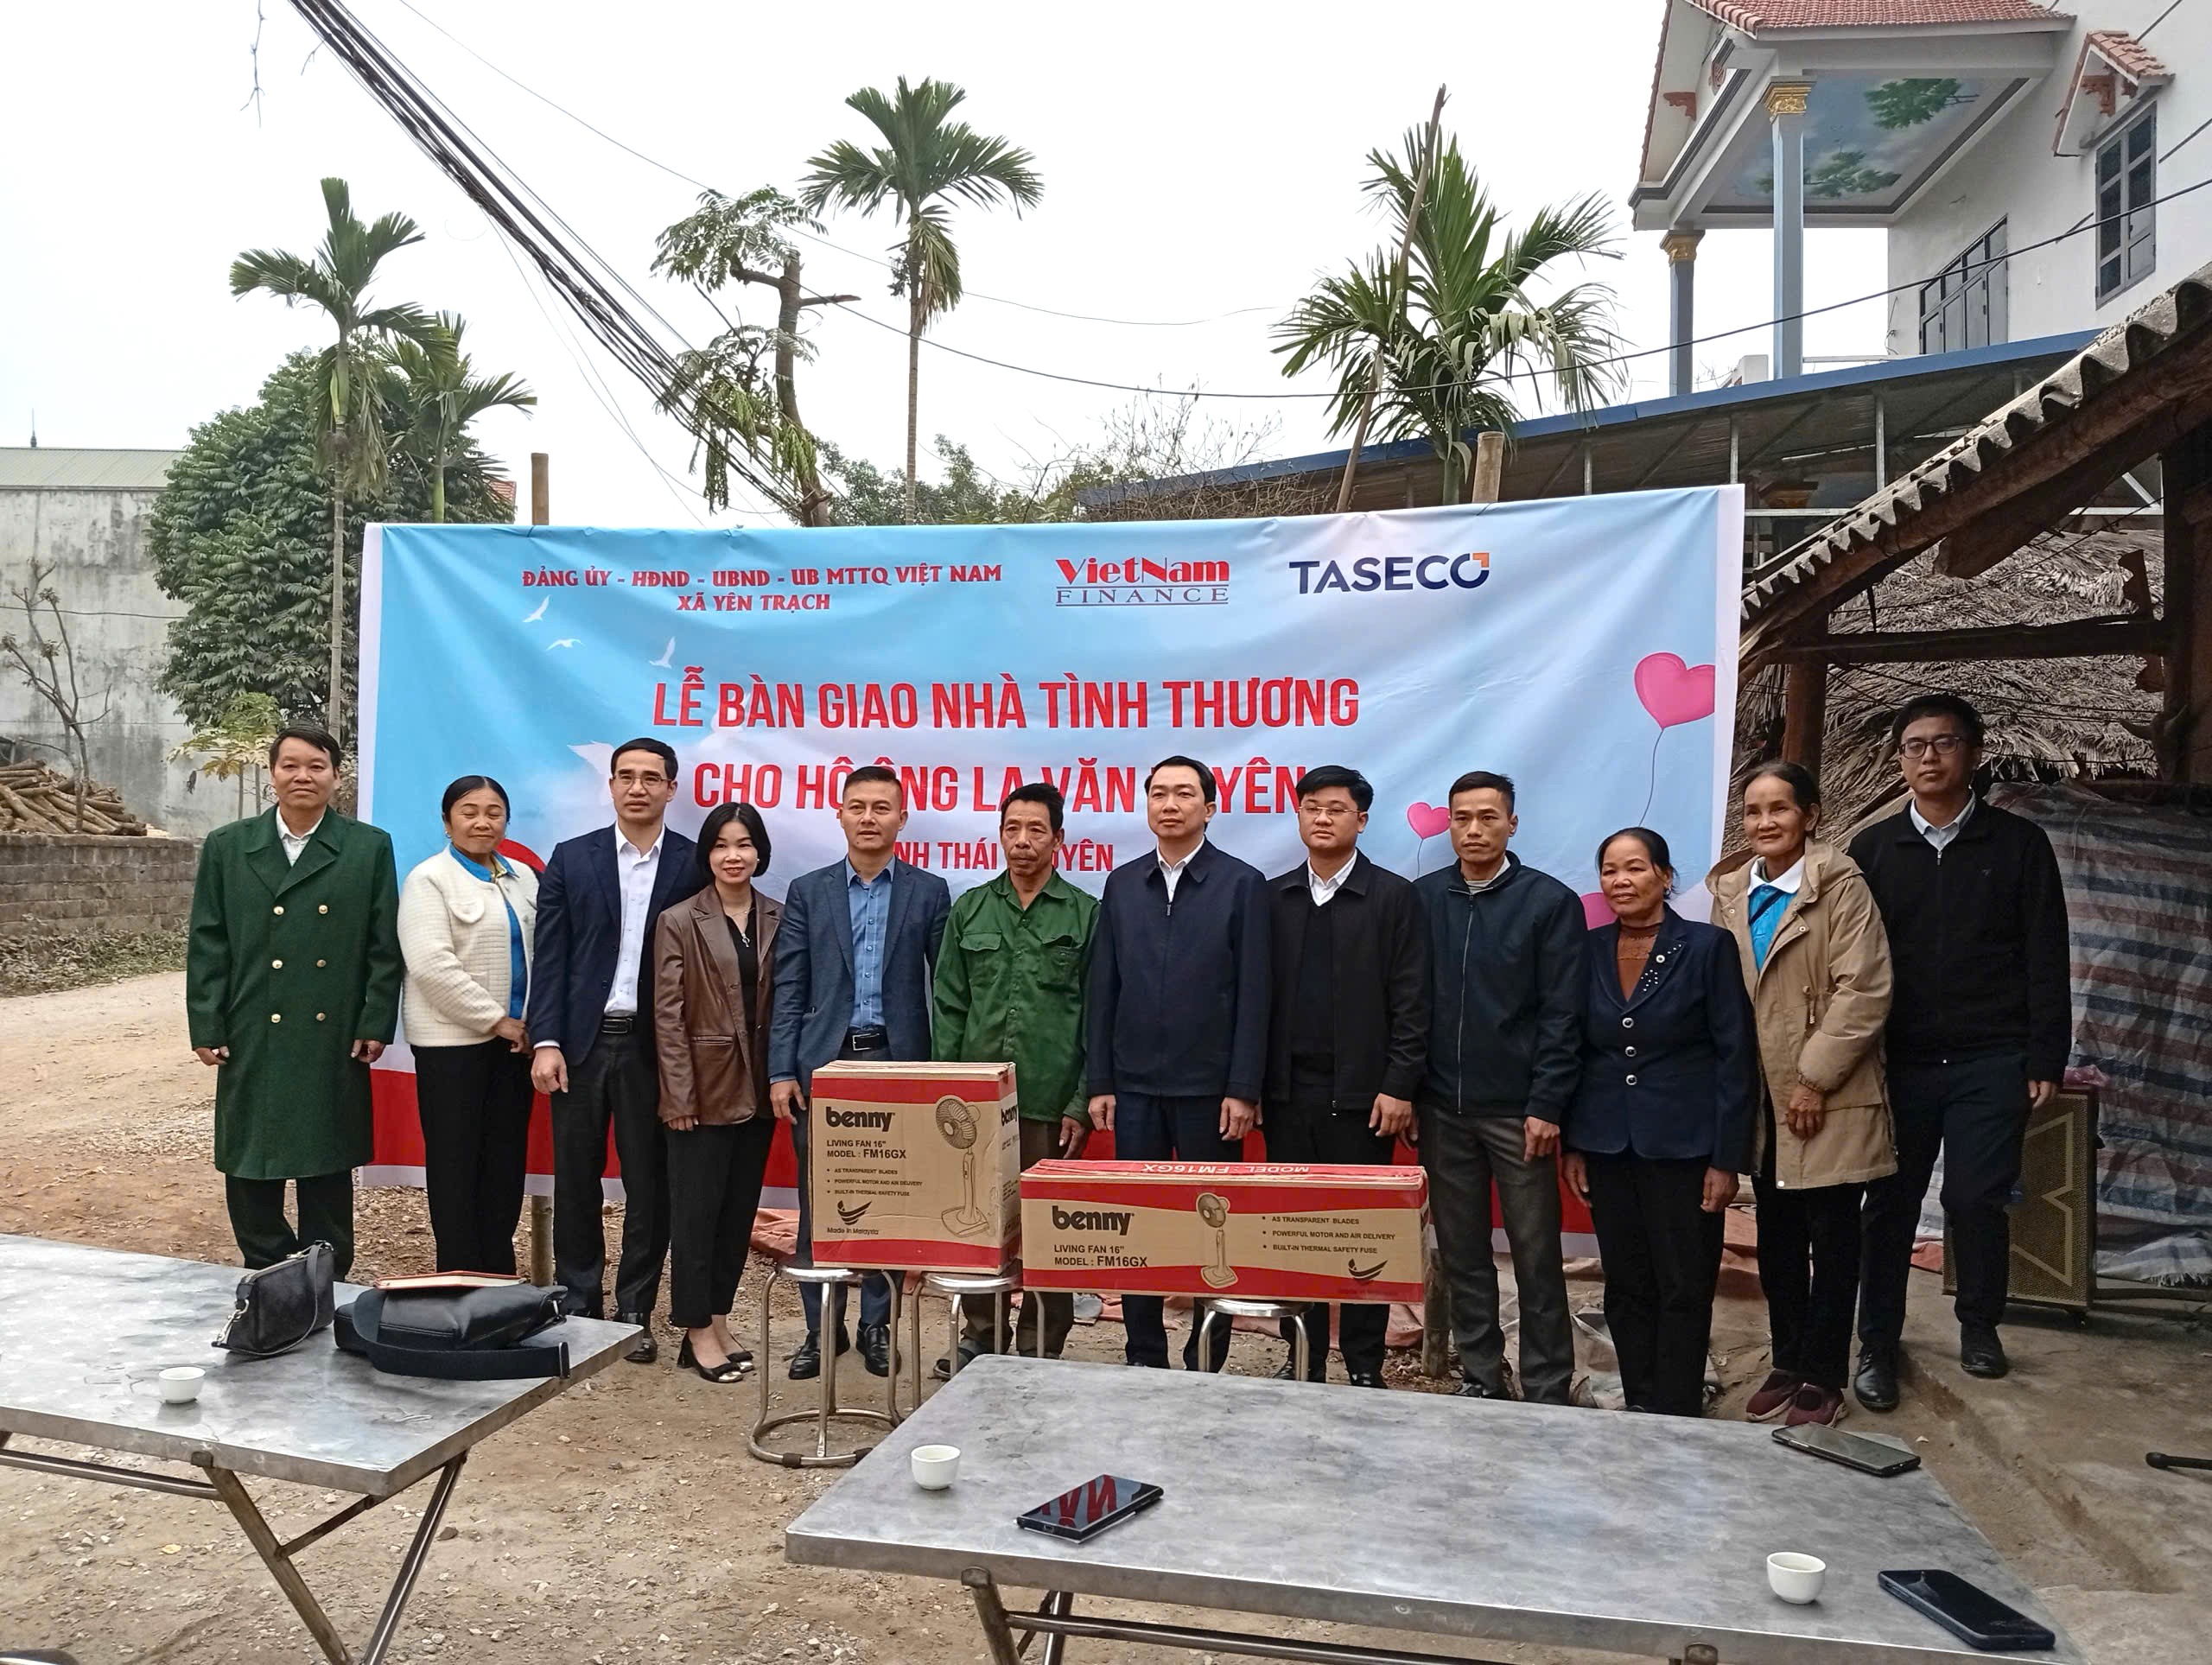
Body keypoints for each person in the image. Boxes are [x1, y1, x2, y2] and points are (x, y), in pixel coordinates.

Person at [1848, 694, 2071, 1405]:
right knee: (1888, 1204)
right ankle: (1877, 1341)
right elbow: (1850, 959)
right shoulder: (1873, 850)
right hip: (1899, 1060)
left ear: (1973, 752)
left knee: (1977, 1197)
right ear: (1900, 759)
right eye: (1914, 745)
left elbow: (2046, 954)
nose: (1929, 757)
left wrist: (2045, 1055)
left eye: (1944, 742)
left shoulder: (2018, 845)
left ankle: (1979, 1325)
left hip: (1991, 1056)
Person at [1710, 763, 1895, 1428]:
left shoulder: (1839, 885)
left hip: (1828, 1092)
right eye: (1753, 810)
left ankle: (1824, 1372)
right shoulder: (1732, 892)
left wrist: (1812, 1079)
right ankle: (1786, 1359)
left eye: (1779, 808)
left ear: (1810, 815)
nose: (1765, 822)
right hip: (1763, 1095)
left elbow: (1864, 989)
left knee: (1833, 1235)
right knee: (1777, 1235)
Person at [186, 723, 402, 1281]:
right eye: (291, 765)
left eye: (316, 766)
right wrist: (207, 1022)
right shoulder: (229, 846)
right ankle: (267, 1269)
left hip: (331, 1028)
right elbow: (208, 941)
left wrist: (375, 1019)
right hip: (251, 1023)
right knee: (249, 1153)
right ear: (272, 773)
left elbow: (384, 945)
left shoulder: (367, 847)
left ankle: (324, 1275)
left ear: (336, 776)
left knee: (326, 1153)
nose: (303, 776)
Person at [1564, 828, 1756, 1418]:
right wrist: (1574, 1142)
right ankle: (1642, 1402)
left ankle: (1677, 1409)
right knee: (1627, 1283)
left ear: (1665, 876)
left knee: (1684, 1283)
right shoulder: (1588, 949)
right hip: (1608, 1145)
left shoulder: (1706, 947)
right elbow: (1576, 1049)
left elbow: (1735, 1056)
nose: (1620, 880)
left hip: (1684, 1147)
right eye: (1610, 870)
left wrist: (1726, 1157)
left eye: (1635, 868)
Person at [768, 766, 951, 1380]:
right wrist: (781, 1070)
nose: (869, 817)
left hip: (899, 1066)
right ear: (840, 814)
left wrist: (941, 1073)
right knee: (819, 1200)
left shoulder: (928, 891)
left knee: (890, 1201)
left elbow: (945, 988)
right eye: (858, 806)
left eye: (881, 807)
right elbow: (790, 987)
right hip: (824, 1066)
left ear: (903, 818)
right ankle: (822, 1329)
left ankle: (878, 1325)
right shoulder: (808, 890)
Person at [1087, 755, 1270, 1371]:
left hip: (1210, 1092)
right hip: (1135, 1088)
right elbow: (1104, 988)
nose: (1170, 804)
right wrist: (1101, 1080)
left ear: (1209, 808)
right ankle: (1144, 1352)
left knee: (1211, 1227)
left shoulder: (1241, 884)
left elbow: (1256, 994)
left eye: (1184, 794)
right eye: (1159, 793)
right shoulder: (1122, 884)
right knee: (1139, 1227)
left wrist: (1243, 1087)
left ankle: (1206, 1357)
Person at [1414, 772, 1585, 1403]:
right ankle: (1483, 1375)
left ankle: (1546, 1383)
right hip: (1442, 1108)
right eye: (1462, 818)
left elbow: (1563, 1014)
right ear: (1449, 826)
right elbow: (1409, 1003)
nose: (1475, 830)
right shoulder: (1424, 899)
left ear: (1512, 823)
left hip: (1519, 1113)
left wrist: (1547, 1103)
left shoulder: (1548, 902)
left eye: (1488, 817)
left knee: (1536, 1255)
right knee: (1462, 1252)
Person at [526, 739, 698, 1362]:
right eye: (626, 776)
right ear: (611, 785)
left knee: (649, 1184)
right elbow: (551, 957)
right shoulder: (573, 858)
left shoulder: (694, 862)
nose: (637, 788)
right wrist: (546, 1040)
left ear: (671, 788)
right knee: (576, 1178)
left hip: (656, 1048)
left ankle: (634, 1309)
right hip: (580, 1044)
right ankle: (579, 1303)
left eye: (651, 778)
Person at [1263, 765, 1426, 1388]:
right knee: (1291, 1231)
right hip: (1287, 1097)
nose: (1322, 818)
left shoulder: (1392, 897)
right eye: (1311, 807)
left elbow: (1413, 1001)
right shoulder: (1275, 898)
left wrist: (1399, 1084)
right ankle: (1300, 1354)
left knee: (1363, 1233)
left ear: (1361, 818)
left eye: (1336, 808)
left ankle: (1363, 1364)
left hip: (1364, 1098)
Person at [931, 780, 1099, 1371]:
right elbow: (949, 1006)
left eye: (1036, 830)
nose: (1022, 841)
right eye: (1012, 829)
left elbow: (1097, 1016)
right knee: (979, 1220)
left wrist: (1080, 1102)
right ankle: (982, 1333)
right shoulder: (971, 908)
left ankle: (1040, 1345)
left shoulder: (1085, 913)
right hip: (977, 1104)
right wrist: (949, 1095)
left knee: (1050, 1227)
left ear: (1058, 838)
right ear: (999, 836)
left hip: (1051, 1100)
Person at [652, 802, 782, 1382]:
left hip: (759, 1091)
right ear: (707, 854)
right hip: (702, 1092)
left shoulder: (778, 915)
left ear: (760, 852)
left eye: (744, 844)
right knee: (697, 1214)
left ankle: (720, 1318)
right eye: (722, 845)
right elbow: (668, 1015)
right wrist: (678, 1096)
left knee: (737, 1215)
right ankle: (695, 1329)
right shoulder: (680, 919)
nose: (734, 855)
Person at [396, 775, 538, 1275]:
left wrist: (529, 1025)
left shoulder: (523, 878)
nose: (482, 822)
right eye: (469, 812)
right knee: (456, 1166)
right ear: (447, 821)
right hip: (452, 1048)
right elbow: (431, 965)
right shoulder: (429, 879)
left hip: (516, 1047)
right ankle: (457, 1276)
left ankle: (498, 1274)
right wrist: (498, 1021)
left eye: (494, 812)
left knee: (505, 1164)